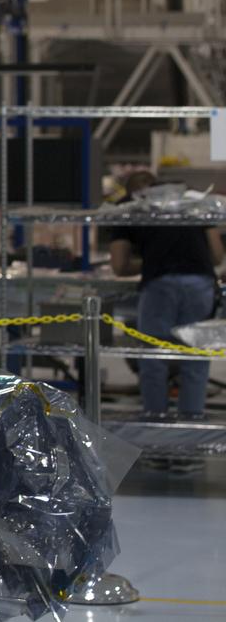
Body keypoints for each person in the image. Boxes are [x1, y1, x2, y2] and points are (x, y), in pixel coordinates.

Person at [109, 170, 221, 470]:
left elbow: (119, 266)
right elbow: (218, 255)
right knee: (195, 362)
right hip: (200, 283)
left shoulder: (126, 209)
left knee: (153, 359)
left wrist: (152, 258)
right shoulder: (189, 201)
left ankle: (156, 446)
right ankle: (190, 451)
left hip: (160, 285)